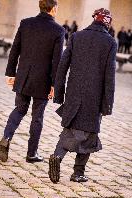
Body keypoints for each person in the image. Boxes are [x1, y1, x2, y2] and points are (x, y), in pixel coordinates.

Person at [48, 8, 117, 183]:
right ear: (107, 22)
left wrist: (59, 94)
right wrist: (108, 104)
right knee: (90, 133)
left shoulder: (76, 36)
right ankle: (78, 173)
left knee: (69, 128)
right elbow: (110, 76)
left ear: (94, 19)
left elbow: (62, 66)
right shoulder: (109, 42)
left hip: (73, 92)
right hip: (94, 97)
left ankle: (57, 155)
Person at [0, 0, 65, 163]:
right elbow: (57, 61)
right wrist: (55, 85)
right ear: (53, 9)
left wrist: (10, 73)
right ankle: (31, 153)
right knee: (37, 117)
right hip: (43, 81)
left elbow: (15, 49)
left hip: (23, 76)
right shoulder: (58, 30)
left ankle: (7, 137)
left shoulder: (25, 23)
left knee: (20, 109)